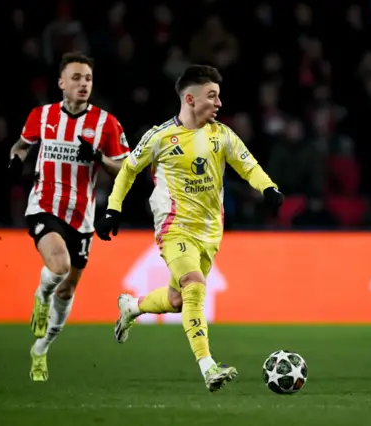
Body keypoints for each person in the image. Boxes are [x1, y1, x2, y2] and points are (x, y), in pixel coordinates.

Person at [94, 64, 284, 392]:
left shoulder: (221, 134)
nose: (219, 103)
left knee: (178, 299)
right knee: (194, 286)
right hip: (174, 227)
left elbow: (247, 163)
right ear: (190, 99)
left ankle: (132, 306)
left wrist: (268, 188)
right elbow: (127, 171)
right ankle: (208, 366)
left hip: (211, 232)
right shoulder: (160, 136)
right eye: (213, 96)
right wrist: (112, 209)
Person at [8, 51, 130, 382]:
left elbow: (125, 167)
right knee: (58, 267)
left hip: (82, 217)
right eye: (76, 78)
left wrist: (100, 158)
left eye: (87, 79)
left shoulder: (106, 123)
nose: (83, 84)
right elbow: (20, 145)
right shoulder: (42, 116)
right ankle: (40, 295)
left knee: (68, 289)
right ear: (61, 82)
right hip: (45, 205)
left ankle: (41, 349)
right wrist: (17, 161)